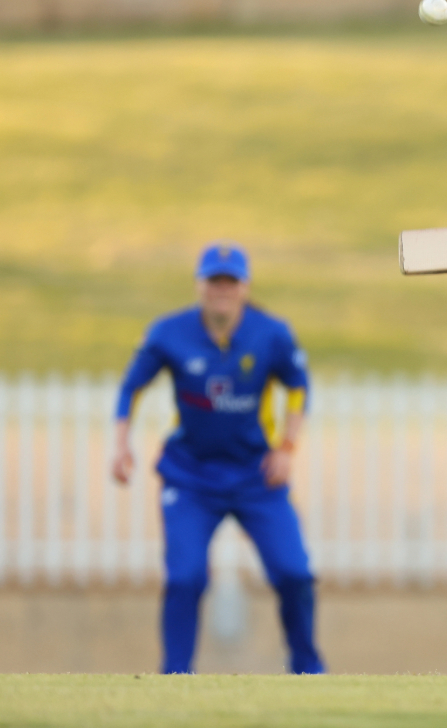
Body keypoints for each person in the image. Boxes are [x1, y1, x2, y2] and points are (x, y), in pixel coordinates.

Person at [111, 243, 324, 675]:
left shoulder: (271, 334)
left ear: (245, 287)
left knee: (295, 574)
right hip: (191, 477)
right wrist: (121, 443)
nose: (222, 291)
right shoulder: (169, 333)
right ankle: (175, 676)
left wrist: (287, 448)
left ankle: (308, 671)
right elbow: (131, 388)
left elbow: (298, 386)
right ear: (199, 285)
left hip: (255, 476)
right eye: (214, 282)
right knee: (184, 577)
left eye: (231, 282)